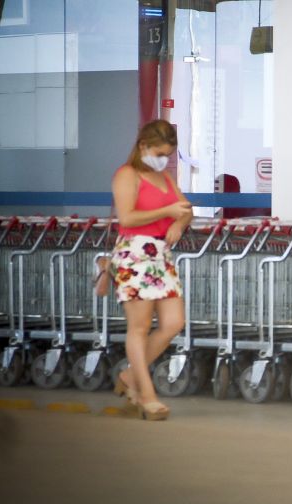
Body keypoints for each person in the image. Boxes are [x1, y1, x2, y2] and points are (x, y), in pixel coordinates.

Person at [110, 120, 193, 421]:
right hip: (134, 253)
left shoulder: (166, 178)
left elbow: (186, 208)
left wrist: (179, 222)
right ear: (143, 146)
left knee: (173, 322)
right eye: (159, 153)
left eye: (168, 155)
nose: (163, 160)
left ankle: (130, 376)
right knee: (140, 327)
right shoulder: (126, 175)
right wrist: (167, 212)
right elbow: (128, 217)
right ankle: (146, 395)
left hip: (161, 255)